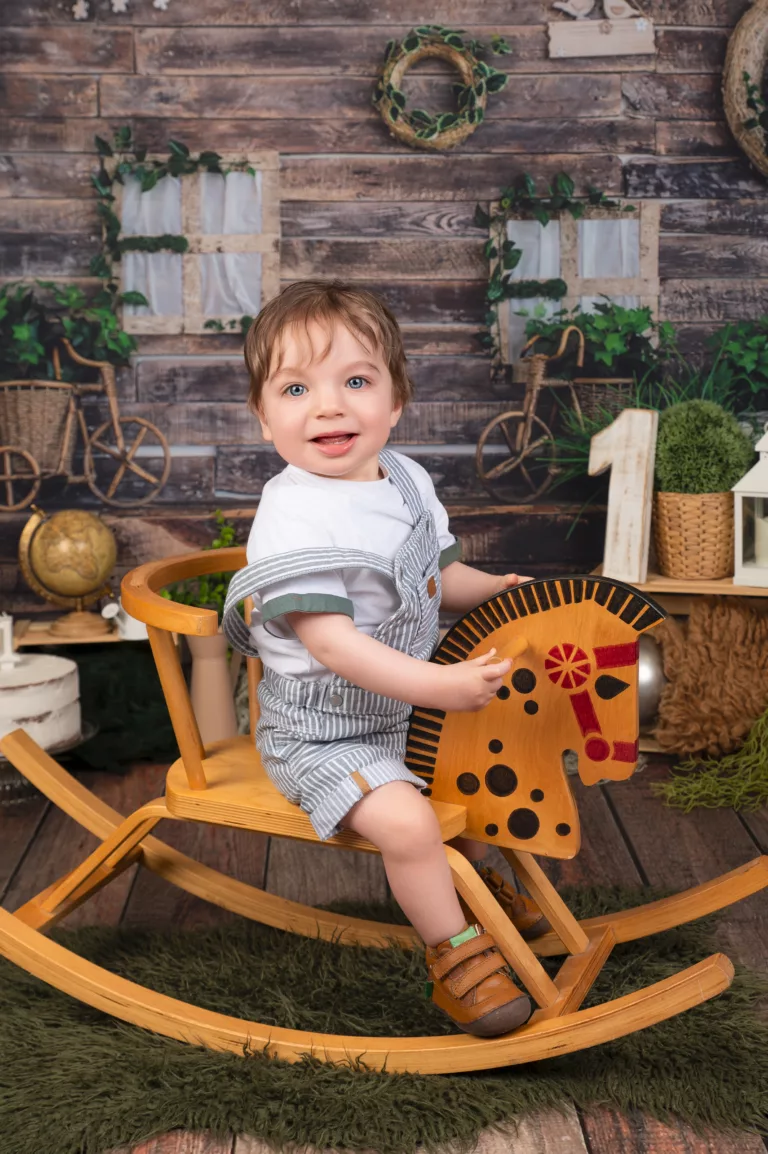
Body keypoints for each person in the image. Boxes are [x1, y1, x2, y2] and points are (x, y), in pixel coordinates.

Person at [223, 280, 549, 1038]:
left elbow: (434, 577)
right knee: (406, 824)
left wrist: (494, 588)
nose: (329, 407)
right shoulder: (294, 517)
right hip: (321, 733)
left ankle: (477, 887)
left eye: (357, 381)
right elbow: (334, 647)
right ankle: (457, 957)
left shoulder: (404, 480)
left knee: (482, 759)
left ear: (396, 401)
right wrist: (441, 683)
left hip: (403, 709)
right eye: (297, 388)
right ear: (265, 416)